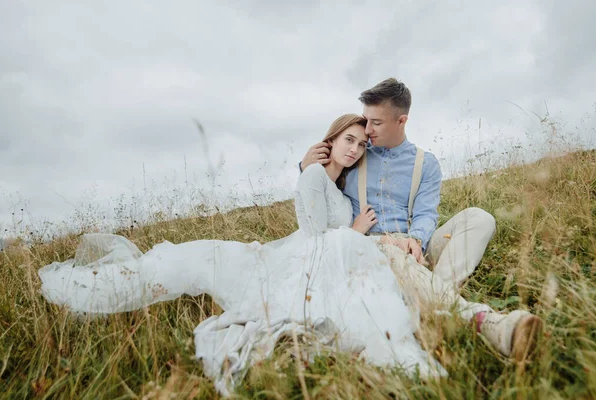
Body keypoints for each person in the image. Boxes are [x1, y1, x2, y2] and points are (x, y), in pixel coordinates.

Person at [39, 114, 446, 396]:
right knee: (186, 267)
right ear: (331, 141)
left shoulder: (338, 185)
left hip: (312, 253)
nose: (356, 149)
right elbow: (314, 233)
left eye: (361, 143)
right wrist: (354, 230)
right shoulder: (312, 175)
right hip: (299, 254)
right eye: (348, 140)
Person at [300, 79, 543, 362]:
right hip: (370, 248)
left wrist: (416, 240)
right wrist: (305, 166)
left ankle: (435, 297)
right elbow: (321, 190)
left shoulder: (425, 163)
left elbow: (427, 213)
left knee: (480, 218)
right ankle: (479, 319)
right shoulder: (356, 153)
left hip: (416, 247)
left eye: (375, 123)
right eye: (365, 121)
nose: (367, 130)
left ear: (401, 120)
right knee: (390, 249)